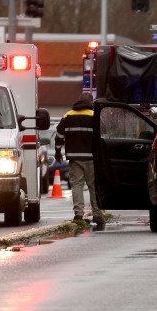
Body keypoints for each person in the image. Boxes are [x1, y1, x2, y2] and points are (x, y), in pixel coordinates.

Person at [56, 93, 103, 229]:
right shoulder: (94, 116)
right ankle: (97, 214)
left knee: (77, 185)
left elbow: (59, 135)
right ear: (91, 102)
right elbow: (101, 136)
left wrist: (58, 150)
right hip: (92, 158)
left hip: (75, 158)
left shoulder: (68, 115)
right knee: (93, 186)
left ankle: (78, 214)